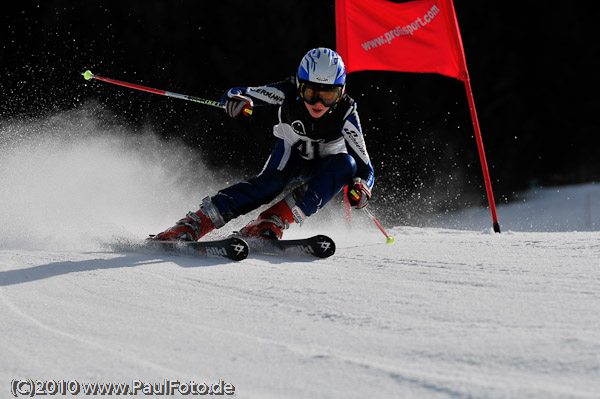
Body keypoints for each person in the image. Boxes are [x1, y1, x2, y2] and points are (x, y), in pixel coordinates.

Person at [154, 47, 374, 241]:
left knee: (347, 165)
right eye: (311, 93)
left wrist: (362, 188)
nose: (318, 103)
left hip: (323, 166)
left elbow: (366, 169)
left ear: (341, 92)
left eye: (328, 96)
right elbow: (237, 93)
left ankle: (271, 221)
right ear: (299, 86)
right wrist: (238, 103)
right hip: (291, 155)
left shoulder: (347, 112)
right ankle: (197, 222)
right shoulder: (287, 91)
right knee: (269, 185)